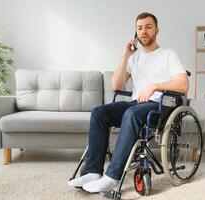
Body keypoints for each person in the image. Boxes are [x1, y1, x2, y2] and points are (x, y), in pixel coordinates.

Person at [68, 12, 188, 193]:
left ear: (157, 30)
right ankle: (93, 172)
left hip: (160, 106)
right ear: (135, 33)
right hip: (137, 104)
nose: (144, 31)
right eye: (139, 28)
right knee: (99, 112)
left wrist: (156, 86)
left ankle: (112, 177)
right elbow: (116, 85)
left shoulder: (168, 54)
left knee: (131, 114)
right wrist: (125, 55)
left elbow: (183, 84)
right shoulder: (134, 58)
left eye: (148, 27)